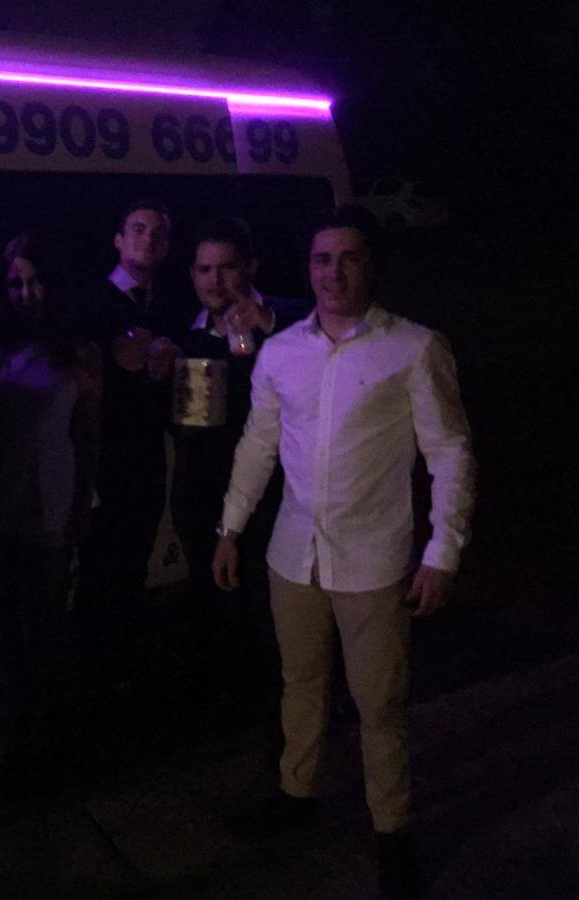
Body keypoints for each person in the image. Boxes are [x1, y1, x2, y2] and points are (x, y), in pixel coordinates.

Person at [212, 206, 476, 898]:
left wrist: (442, 551)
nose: (334, 273)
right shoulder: (281, 351)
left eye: (349, 258)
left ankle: (392, 831)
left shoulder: (414, 348)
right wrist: (230, 528)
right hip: (292, 554)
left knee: (379, 703)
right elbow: (259, 445)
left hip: (372, 559)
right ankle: (296, 793)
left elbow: (449, 452)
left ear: (371, 264)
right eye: (322, 259)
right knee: (300, 684)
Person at [175, 217, 309, 707]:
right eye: (204, 269)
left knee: (268, 604)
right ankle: (233, 703)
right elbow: (181, 421)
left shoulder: (290, 319)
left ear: (250, 268)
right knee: (213, 599)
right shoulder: (187, 333)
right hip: (202, 488)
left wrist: (267, 324)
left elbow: (325, 351)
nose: (215, 280)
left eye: (227, 267)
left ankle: (284, 708)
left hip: (270, 491)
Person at [0, 232, 102, 768]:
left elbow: (88, 436)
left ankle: (44, 722)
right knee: (8, 619)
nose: (25, 294)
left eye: (34, 282)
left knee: (46, 619)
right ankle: (14, 714)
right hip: (1, 495)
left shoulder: (78, 353)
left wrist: (81, 505)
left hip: (52, 492)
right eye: (16, 283)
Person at [74, 198, 184, 696]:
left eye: (158, 232)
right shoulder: (92, 303)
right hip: (102, 456)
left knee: (136, 559)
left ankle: (124, 669)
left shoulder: (169, 304)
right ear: (118, 240)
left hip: (148, 453)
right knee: (99, 564)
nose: (148, 239)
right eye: (138, 229)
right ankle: (93, 675)